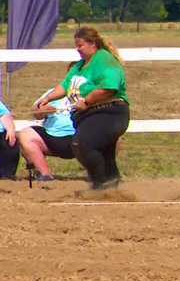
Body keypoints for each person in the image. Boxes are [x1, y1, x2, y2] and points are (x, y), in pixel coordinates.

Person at [34, 27, 129, 190]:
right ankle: (111, 183)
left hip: (109, 112)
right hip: (90, 115)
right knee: (103, 150)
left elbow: (109, 87)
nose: (77, 49)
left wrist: (87, 101)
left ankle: (101, 184)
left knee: (83, 143)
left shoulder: (104, 60)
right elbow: (65, 86)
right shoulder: (80, 66)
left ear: (93, 44)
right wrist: (48, 98)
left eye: (80, 45)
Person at [18, 62, 77, 181]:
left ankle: (100, 175)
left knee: (111, 133)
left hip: (83, 137)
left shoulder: (94, 93)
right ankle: (44, 175)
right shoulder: (53, 93)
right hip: (53, 137)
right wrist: (44, 111)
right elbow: (36, 113)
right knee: (26, 135)